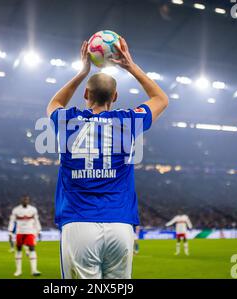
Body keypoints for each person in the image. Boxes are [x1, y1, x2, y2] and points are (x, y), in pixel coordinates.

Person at [46, 37, 168, 279]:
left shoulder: (67, 120)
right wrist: (130, 65)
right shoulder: (128, 120)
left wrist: (83, 71)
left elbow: (54, 103)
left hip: (78, 223)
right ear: (115, 97)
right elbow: (161, 99)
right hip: (120, 225)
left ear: (85, 94)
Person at [11, 195, 42, 277]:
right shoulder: (16, 210)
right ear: (21, 200)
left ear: (28, 200)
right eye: (24, 199)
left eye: (27, 200)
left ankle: (34, 270)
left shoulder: (33, 209)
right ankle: (18, 271)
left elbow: (36, 220)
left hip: (29, 232)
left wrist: (39, 230)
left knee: (32, 248)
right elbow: (12, 221)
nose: (25, 201)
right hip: (19, 232)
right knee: (18, 250)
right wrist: (10, 231)